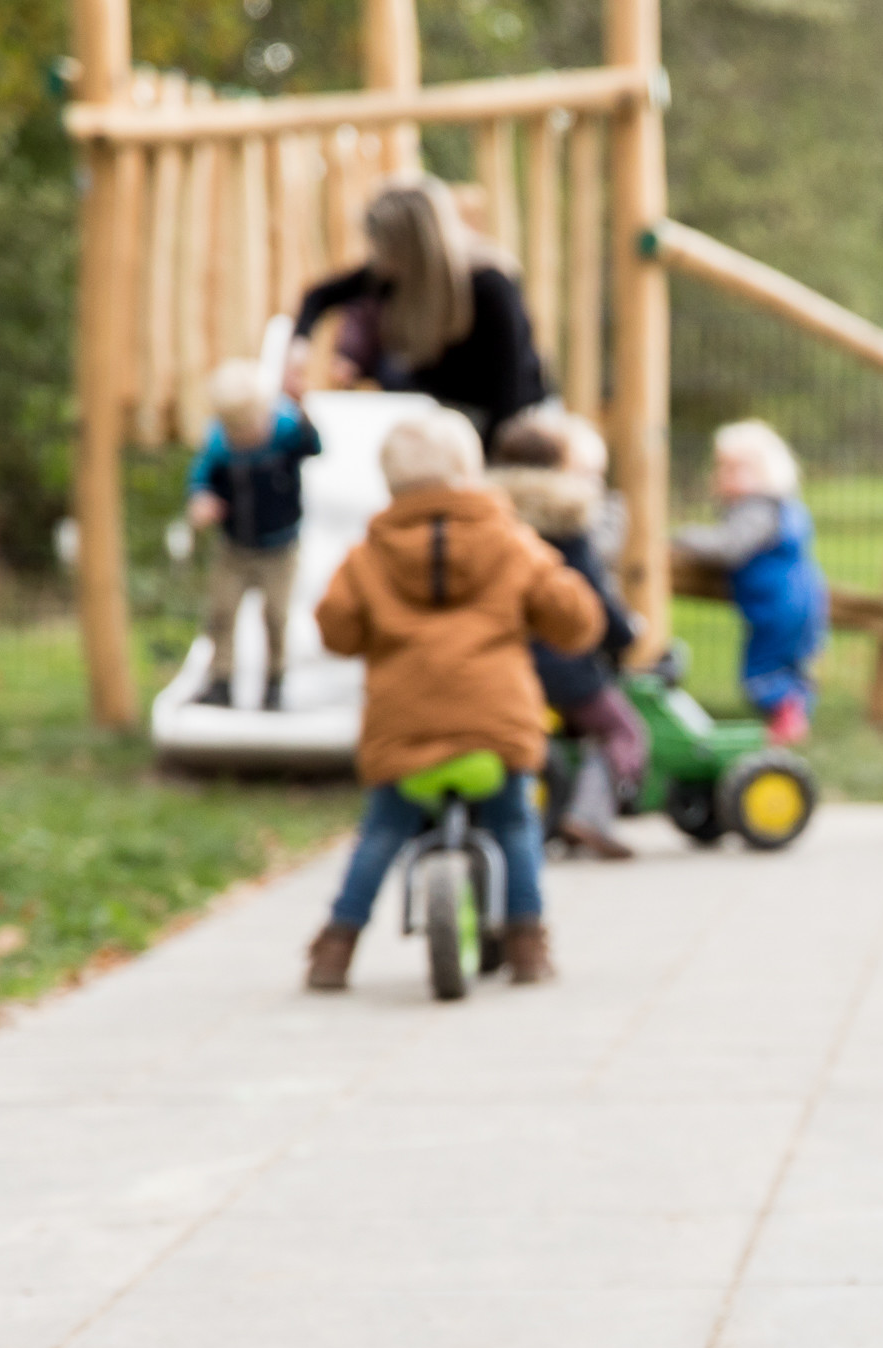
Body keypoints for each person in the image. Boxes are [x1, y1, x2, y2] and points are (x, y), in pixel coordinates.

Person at [303, 410, 603, 992]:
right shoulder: (510, 541)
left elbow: (336, 630)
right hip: (495, 725)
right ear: (470, 471)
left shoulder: (370, 553)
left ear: (390, 482)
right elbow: (574, 621)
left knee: (383, 831)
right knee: (514, 823)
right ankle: (528, 945)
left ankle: (335, 948)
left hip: (404, 728)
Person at [493, 408, 646, 860]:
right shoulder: (566, 521)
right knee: (623, 731)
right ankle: (590, 813)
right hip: (565, 669)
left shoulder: (490, 518)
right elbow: (591, 601)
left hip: (506, 665)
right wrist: (625, 637)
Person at [288, 176, 547, 443]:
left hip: (506, 422)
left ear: (409, 246)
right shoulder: (395, 275)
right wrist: (298, 350)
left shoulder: (490, 287)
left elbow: (509, 391)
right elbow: (319, 296)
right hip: (445, 415)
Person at [671, 420, 828, 746]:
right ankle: (793, 717)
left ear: (767, 471)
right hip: (802, 598)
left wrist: (686, 537)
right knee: (789, 664)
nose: (725, 475)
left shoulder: (757, 509)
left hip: (778, 604)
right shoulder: (782, 506)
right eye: (722, 467)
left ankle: (787, 721)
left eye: (737, 468)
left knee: (762, 670)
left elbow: (729, 547)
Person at [185, 358, 321, 711]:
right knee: (221, 612)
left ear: (265, 413)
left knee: (276, 616)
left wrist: (302, 408)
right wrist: (201, 499)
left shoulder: (286, 430)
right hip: (234, 547)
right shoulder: (219, 444)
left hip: (280, 548)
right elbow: (200, 476)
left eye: (251, 428)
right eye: (237, 432)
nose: (246, 438)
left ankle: (275, 682)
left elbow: (315, 446)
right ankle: (221, 681)